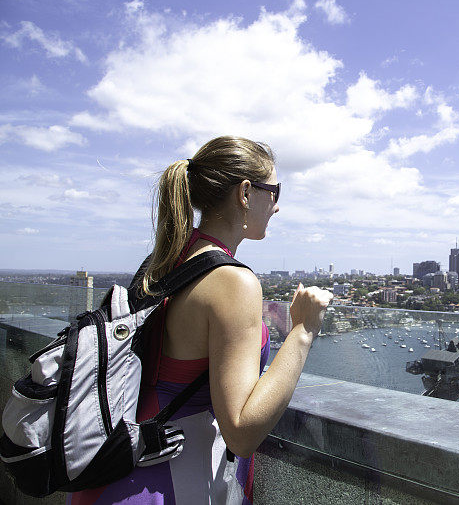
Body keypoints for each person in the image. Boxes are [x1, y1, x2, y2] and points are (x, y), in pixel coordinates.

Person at [68, 136, 332, 504]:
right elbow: (240, 431)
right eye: (275, 191)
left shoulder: (167, 260)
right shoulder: (232, 281)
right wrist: (303, 330)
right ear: (245, 193)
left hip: (117, 474)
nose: (276, 206)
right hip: (170, 482)